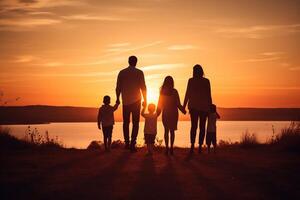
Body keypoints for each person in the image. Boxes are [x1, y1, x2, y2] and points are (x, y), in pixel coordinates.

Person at [116, 56, 147, 152]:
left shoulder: (122, 72)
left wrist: (117, 99)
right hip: (136, 101)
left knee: (126, 123)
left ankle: (127, 143)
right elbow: (143, 87)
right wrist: (145, 100)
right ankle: (132, 143)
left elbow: (118, 88)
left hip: (125, 101)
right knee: (135, 123)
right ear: (136, 62)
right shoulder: (139, 72)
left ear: (128, 61)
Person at [183, 64, 212, 154]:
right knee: (202, 127)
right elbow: (209, 96)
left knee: (194, 127)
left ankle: (193, 146)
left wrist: (183, 106)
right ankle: (199, 146)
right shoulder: (206, 81)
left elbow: (187, 94)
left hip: (194, 107)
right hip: (203, 108)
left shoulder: (191, 81)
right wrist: (210, 107)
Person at [157, 76, 186, 155]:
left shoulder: (162, 92)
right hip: (173, 113)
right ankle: (171, 148)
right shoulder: (174, 91)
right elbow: (178, 104)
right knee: (172, 131)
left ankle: (167, 148)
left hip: (166, 113)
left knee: (166, 131)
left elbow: (159, 105)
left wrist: (156, 114)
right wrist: (183, 110)